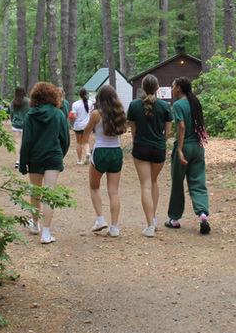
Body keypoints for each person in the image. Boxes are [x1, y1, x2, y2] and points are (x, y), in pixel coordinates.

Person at [19, 82, 71, 244]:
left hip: (35, 157)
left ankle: (35, 224)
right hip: (53, 157)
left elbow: (26, 142)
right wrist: (59, 154)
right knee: (49, 194)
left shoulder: (30, 115)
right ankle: (46, 233)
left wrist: (23, 163)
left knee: (35, 192)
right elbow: (65, 139)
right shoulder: (58, 114)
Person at [164, 76, 211, 234]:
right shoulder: (195, 102)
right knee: (198, 181)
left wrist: (179, 149)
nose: (172, 89)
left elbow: (182, 127)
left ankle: (174, 219)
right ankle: (203, 214)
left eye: (173, 86)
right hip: (198, 147)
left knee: (178, 182)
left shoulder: (178, 105)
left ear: (179, 88)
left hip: (185, 147)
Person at [126, 74, 172, 237]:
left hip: (141, 148)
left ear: (143, 88)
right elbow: (168, 132)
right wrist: (160, 141)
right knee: (153, 182)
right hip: (159, 149)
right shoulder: (165, 106)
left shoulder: (134, 105)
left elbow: (133, 130)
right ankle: (153, 218)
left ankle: (150, 225)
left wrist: (138, 141)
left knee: (145, 185)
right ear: (158, 88)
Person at [82, 85, 127, 237]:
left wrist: (86, 146)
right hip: (116, 151)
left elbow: (86, 131)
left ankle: (100, 219)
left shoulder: (96, 114)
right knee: (114, 191)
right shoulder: (120, 113)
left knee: (94, 187)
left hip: (100, 151)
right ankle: (114, 227)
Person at [8, 87, 31, 169]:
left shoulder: (13, 102)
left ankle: (18, 161)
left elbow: (11, 113)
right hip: (26, 124)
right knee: (26, 142)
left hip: (16, 124)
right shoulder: (28, 101)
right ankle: (26, 160)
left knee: (17, 142)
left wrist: (12, 121)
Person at [69, 88, 93, 165]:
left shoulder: (75, 104)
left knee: (79, 143)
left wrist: (71, 116)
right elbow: (91, 113)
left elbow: (74, 116)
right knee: (86, 142)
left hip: (78, 126)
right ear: (86, 94)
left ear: (79, 94)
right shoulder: (90, 103)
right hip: (87, 125)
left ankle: (79, 160)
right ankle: (87, 153)